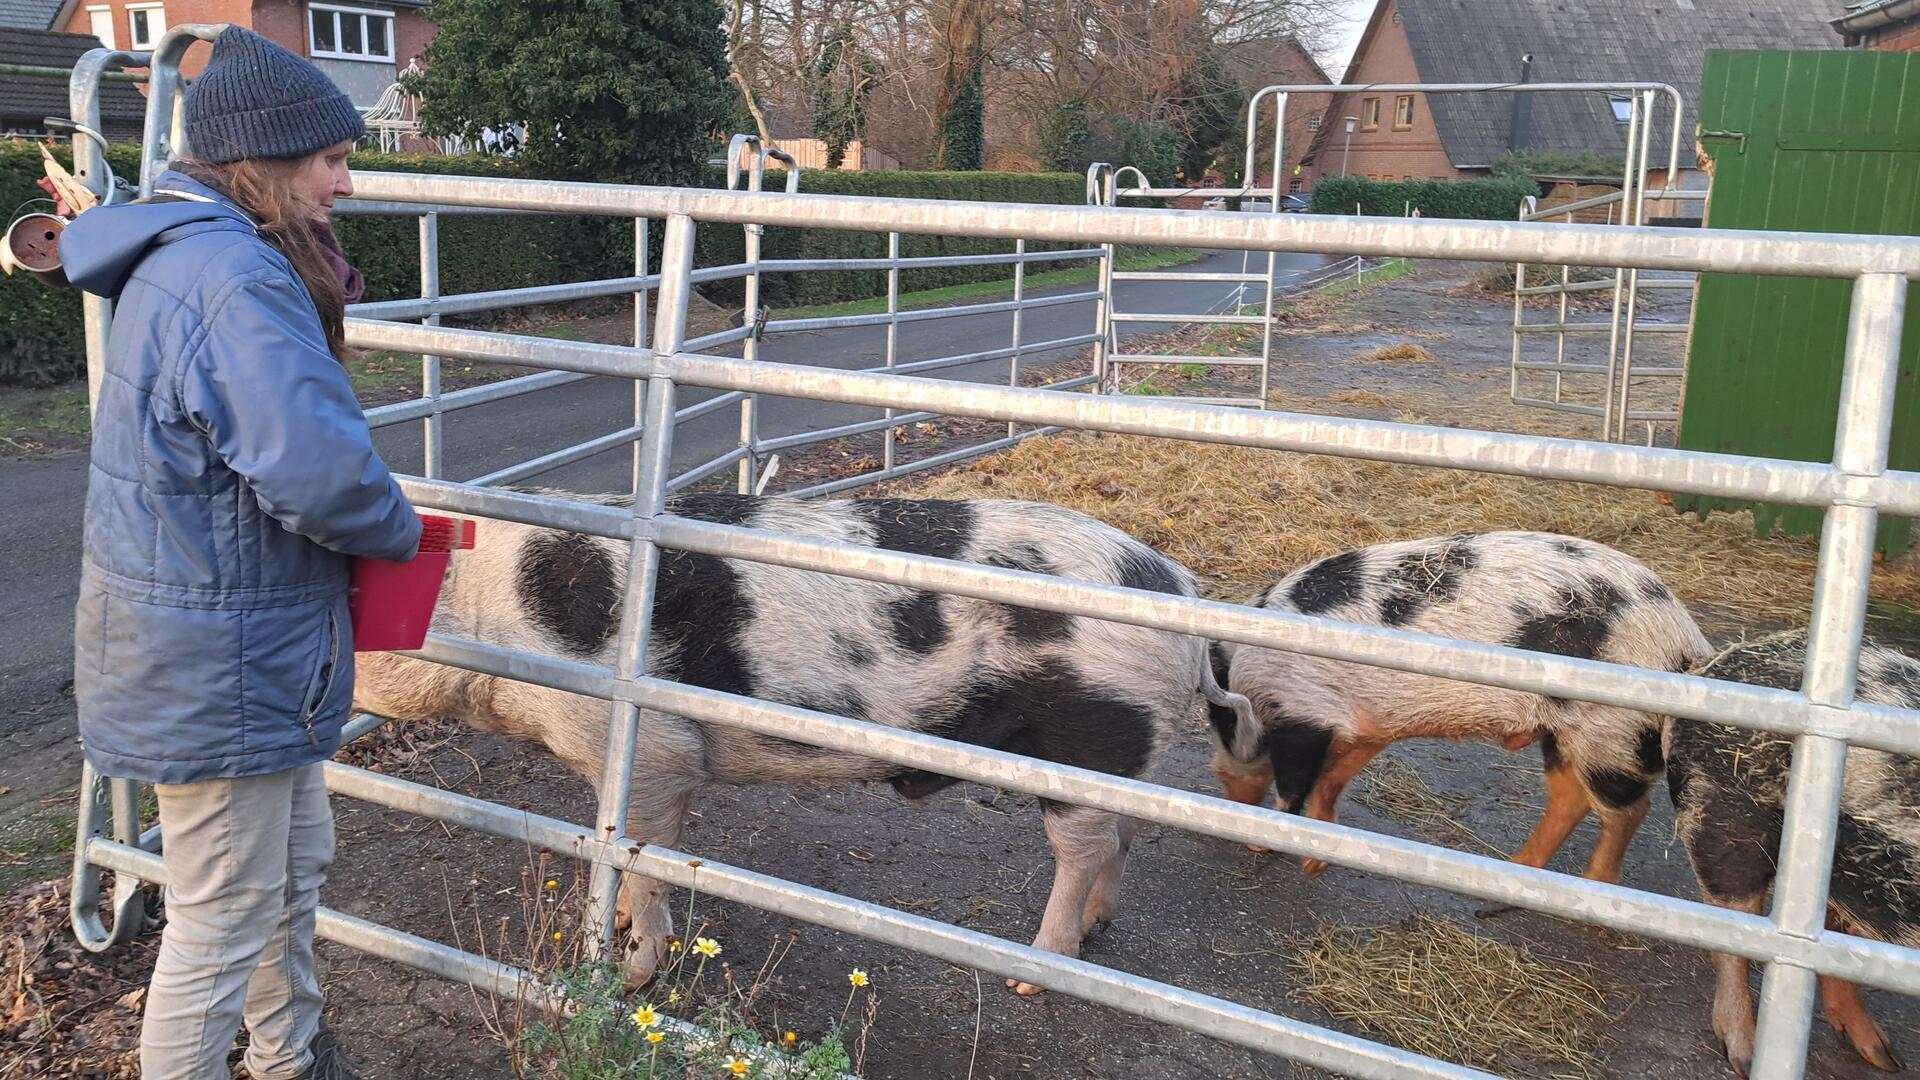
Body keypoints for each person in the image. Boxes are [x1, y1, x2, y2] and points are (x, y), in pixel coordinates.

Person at [60, 26, 420, 1080]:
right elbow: (320, 477)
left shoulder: (190, 254)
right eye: (331, 160)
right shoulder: (235, 282)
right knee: (218, 921)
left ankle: (286, 1055)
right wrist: (398, 533)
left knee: (285, 870)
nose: (346, 182)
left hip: (223, 639)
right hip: (222, 657)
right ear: (259, 164)